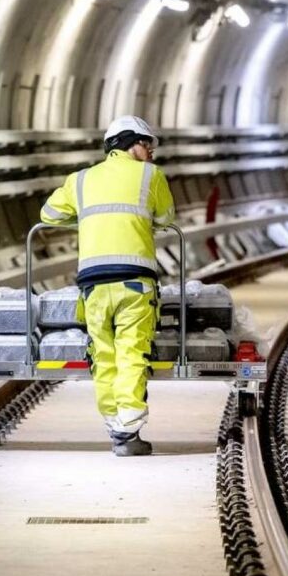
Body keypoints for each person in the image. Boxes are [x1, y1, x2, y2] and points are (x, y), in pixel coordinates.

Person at [40, 116, 175, 457]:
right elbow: (166, 217)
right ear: (131, 144)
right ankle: (128, 431)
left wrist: (84, 218)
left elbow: (48, 215)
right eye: (148, 146)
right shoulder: (150, 176)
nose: (152, 154)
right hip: (135, 280)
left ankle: (114, 425)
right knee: (132, 352)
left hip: (93, 284)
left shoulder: (80, 180)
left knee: (103, 354)